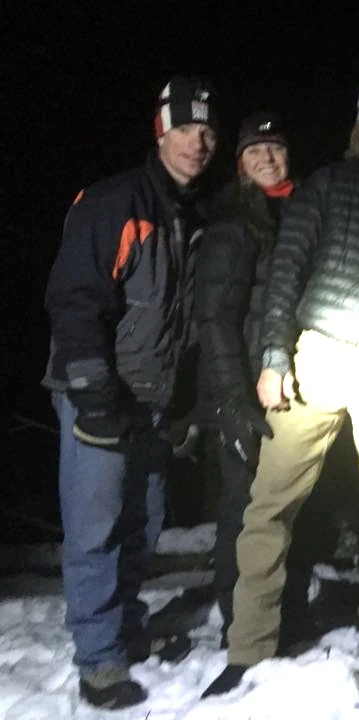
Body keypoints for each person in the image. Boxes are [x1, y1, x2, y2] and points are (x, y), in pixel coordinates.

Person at [203, 72, 359, 697]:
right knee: (271, 502)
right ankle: (248, 645)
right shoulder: (328, 184)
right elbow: (286, 269)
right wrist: (272, 356)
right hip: (318, 352)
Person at [42, 76, 218, 709]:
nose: (196, 142)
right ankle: (99, 661)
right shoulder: (116, 201)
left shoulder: (195, 216)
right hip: (100, 394)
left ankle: (123, 625)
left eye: (205, 131)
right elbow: (74, 298)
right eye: (184, 129)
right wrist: (91, 390)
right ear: (160, 131)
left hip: (154, 400)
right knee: (95, 529)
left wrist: (189, 402)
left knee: (142, 523)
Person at [195, 112, 324, 654]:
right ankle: (237, 618)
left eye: (275, 148)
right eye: (255, 151)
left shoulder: (307, 211)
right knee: (243, 507)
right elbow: (216, 316)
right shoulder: (232, 221)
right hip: (243, 382)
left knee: (292, 503)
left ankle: (286, 612)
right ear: (241, 164)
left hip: (296, 380)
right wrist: (232, 398)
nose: (268, 158)